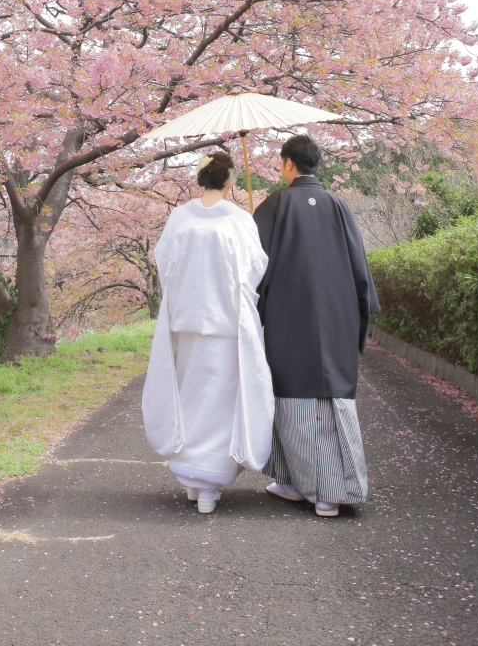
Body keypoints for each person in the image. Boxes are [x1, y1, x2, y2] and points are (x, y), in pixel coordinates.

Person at [253, 134, 380, 517]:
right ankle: (314, 486)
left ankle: (315, 490)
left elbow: (254, 269)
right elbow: (359, 266)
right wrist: (361, 313)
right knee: (333, 398)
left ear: (289, 164)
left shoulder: (273, 206)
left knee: (293, 400)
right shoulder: (338, 206)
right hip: (338, 317)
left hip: (289, 318)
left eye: (281, 163)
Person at [142, 151, 275, 514]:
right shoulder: (239, 219)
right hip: (226, 323)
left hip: (188, 320)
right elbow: (255, 267)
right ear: (230, 181)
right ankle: (208, 484)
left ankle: (192, 477)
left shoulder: (181, 217)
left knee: (191, 394)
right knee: (219, 401)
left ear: (201, 179)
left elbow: (165, 262)